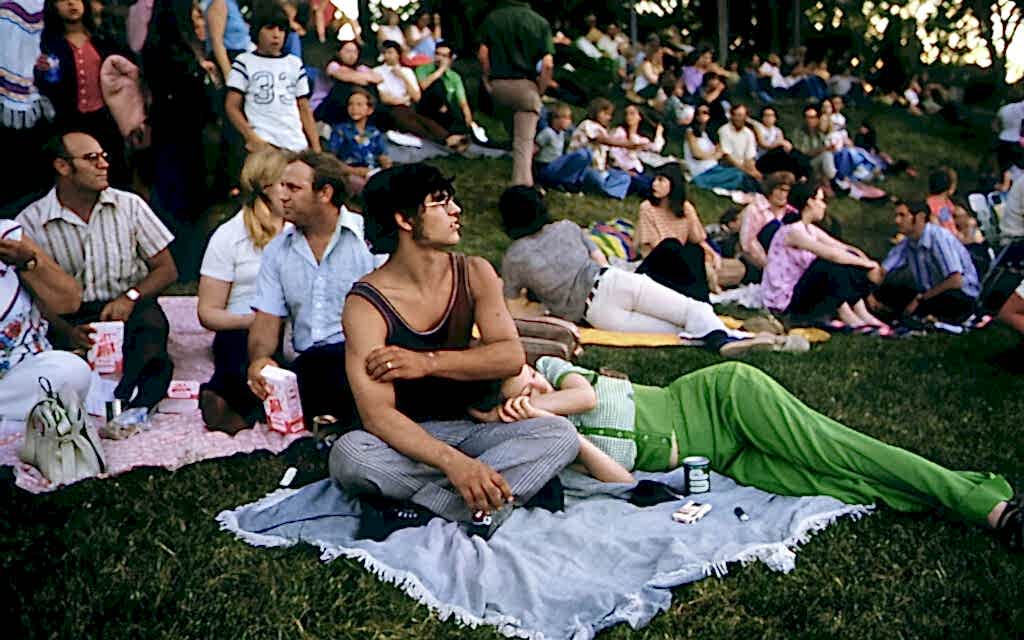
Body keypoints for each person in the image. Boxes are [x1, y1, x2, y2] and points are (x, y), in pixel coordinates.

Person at [471, 357, 1023, 551]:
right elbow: (622, 483)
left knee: (840, 451)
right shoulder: (553, 445)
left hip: (723, 401)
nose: (527, 391)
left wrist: (546, 403)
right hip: (722, 462)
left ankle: (987, 505)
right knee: (840, 485)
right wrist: (559, 432)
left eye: (521, 380)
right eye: (513, 397)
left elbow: (587, 396)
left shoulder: (553, 373)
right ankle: (943, 503)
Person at [330, 164, 579, 541]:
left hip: (473, 430)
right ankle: (491, 502)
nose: (456, 210)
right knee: (349, 457)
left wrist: (426, 363)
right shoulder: (366, 303)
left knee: (560, 434)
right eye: (441, 202)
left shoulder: (475, 272)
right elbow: (378, 416)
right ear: (405, 219)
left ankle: (415, 509)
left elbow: (511, 356)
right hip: (402, 442)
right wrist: (455, 465)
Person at [499, 185, 806, 356]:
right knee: (690, 309)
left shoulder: (514, 258)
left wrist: (549, 306)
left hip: (595, 315)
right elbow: (599, 257)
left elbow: (514, 310)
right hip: (612, 282)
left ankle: (735, 340)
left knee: (677, 334)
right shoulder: (565, 228)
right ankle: (742, 339)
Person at [17, 132, 177, 410]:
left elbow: (166, 270)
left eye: (104, 157)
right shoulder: (31, 222)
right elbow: (28, 294)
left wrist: (131, 297)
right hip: (68, 316)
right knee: (54, 366)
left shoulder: (130, 205)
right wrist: (66, 331)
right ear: (63, 167)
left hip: (128, 307)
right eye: (92, 158)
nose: (103, 164)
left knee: (151, 336)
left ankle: (132, 402)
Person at [245, 151, 375, 428]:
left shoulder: (369, 239)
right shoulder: (277, 250)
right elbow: (266, 319)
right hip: (308, 364)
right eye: (282, 186)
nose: (283, 196)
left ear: (325, 193)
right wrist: (261, 360)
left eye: (293, 188)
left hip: (363, 358)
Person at [197, 149, 290, 433]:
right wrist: (254, 320)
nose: (292, 191)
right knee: (239, 350)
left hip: (296, 323)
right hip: (245, 323)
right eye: (285, 183)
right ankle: (225, 403)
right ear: (264, 187)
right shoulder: (230, 235)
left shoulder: (302, 228)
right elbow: (208, 312)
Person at [0, 218, 91, 423]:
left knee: (72, 372)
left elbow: (70, 301)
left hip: (24, 373)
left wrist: (28, 263)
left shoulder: (7, 237)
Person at [762, 182, 886, 329]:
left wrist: (865, 260)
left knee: (846, 257)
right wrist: (867, 264)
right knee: (828, 263)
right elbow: (831, 255)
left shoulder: (809, 229)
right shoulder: (792, 232)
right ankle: (847, 315)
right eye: (821, 201)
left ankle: (860, 311)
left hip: (802, 292)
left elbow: (843, 248)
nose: (824, 206)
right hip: (785, 302)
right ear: (810, 202)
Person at [37, 0, 130, 187]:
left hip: (103, 120)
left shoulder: (103, 41)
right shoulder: (48, 44)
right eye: (63, 0)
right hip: (66, 120)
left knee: (112, 173)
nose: (72, 4)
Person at [635, 168, 744, 301]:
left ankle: (703, 281)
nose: (654, 184)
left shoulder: (685, 208)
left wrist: (712, 254)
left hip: (687, 258)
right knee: (699, 268)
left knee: (738, 268)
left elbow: (697, 238)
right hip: (662, 261)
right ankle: (704, 284)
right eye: (655, 179)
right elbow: (655, 246)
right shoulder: (647, 208)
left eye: (661, 180)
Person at [478, 0, 555, 186]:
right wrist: (541, 90)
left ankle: (524, 167)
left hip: (499, 86)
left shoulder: (492, 19)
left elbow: (483, 55)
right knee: (524, 143)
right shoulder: (539, 22)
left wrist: (487, 80)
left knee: (514, 133)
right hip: (525, 87)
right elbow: (547, 64)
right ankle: (523, 188)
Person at [225, 6, 320, 154]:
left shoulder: (294, 63)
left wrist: (316, 148)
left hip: (295, 144)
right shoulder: (245, 62)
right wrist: (251, 137)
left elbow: (304, 108)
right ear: (257, 30)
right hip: (263, 143)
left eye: (281, 30)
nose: (276, 35)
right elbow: (232, 106)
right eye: (270, 28)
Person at [869, 199, 980, 324]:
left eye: (902, 215)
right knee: (890, 291)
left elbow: (955, 280)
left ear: (920, 217)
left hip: (958, 294)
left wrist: (920, 299)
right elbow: (884, 271)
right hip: (929, 293)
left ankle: (916, 317)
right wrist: (872, 294)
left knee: (938, 302)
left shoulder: (939, 238)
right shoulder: (908, 242)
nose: (897, 221)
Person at [374, 40, 468, 151]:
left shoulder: (407, 71)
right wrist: (403, 99)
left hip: (410, 105)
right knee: (408, 121)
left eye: (390, 52)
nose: (387, 56)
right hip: (394, 107)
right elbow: (384, 98)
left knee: (424, 120)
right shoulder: (377, 71)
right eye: (384, 53)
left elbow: (417, 96)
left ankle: (448, 137)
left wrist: (403, 77)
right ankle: (444, 141)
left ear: (398, 54)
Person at [568, 98, 641, 199]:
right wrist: (627, 144)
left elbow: (606, 155)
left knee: (625, 177)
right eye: (606, 114)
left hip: (600, 170)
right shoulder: (588, 125)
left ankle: (608, 191)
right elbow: (602, 140)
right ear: (596, 112)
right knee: (595, 177)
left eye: (610, 115)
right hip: (585, 169)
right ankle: (603, 189)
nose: (609, 117)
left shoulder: (603, 130)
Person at [326, 89, 392, 196]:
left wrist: (385, 162)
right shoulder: (341, 130)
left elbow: (383, 155)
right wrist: (352, 170)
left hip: (372, 173)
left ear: (369, 110)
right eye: (351, 105)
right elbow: (331, 158)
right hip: (349, 173)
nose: (354, 108)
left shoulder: (374, 133)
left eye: (359, 105)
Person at [684, 104, 759, 193]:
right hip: (702, 172)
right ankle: (703, 183)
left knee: (740, 176)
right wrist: (714, 155)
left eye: (706, 113)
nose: (703, 115)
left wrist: (713, 154)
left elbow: (718, 151)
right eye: (700, 113)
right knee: (739, 175)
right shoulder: (690, 132)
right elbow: (697, 154)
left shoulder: (705, 134)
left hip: (714, 168)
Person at [738, 171, 796, 282]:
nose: (782, 195)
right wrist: (768, 265)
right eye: (779, 190)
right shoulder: (755, 209)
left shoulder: (792, 213)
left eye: (786, 191)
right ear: (771, 190)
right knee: (774, 227)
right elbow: (748, 243)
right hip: (759, 260)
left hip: (787, 261)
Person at [414, 42, 478, 140]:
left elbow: (462, 102)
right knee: (437, 85)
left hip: (447, 111)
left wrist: (468, 118)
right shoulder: (423, 69)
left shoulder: (454, 76)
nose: (439, 58)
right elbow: (423, 86)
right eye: (437, 54)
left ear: (451, 59)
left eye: (444, 56)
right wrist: (440, 71)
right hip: (427, 107)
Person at [314, 39, 382, 126]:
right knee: (344, 86)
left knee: (371, 89)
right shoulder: (332, 65)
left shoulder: (359, 67)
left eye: (355, 52)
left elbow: (378, 78)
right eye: (348, 51)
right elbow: (344, 76)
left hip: (345, 105)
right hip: (323, 106)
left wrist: (360, 78)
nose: (352, 55)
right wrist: (364, 78)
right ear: (339, 53)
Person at [608, 104, 664, 196]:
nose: (629, 117)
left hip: (637, 170)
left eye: (632, 114)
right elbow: (613, 154)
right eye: (627, 114)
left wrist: (659, 132)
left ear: (640, 117)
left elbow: (656, 148)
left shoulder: (640, 138)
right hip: (621, 169)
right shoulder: (619, 132)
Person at [791, 104, 837, 183]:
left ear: (817, 119)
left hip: (819, 162)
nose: (809, 120)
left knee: (830, 155)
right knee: (826, 155)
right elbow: (803, 154)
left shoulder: (820, 132)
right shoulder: (798, 133)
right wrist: (823, 149)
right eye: (807, 117)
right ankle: (831, 180)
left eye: (812, 117)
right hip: (805, 164)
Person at [717, 104, 763, 183]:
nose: (740, 118)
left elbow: (750, 157)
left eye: (742, 116)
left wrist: (754, 171)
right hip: (727, 166)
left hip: (743, 167)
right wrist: (747, 171)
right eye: (737, 115)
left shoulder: (748, 133)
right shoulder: (724, 130)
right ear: (732, 116)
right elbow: (727, 157)